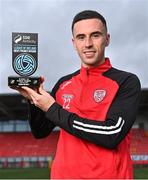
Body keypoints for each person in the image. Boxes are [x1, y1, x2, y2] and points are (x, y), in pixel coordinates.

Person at [13, 10, 141, 179]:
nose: (87, 43)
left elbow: (112, 134)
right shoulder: (64, 84)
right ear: (74, 43)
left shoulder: (126, 81)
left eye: (95, 35)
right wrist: (33, 99)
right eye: (81, 37)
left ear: (107, 39)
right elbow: (40, 131)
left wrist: (52, 108)